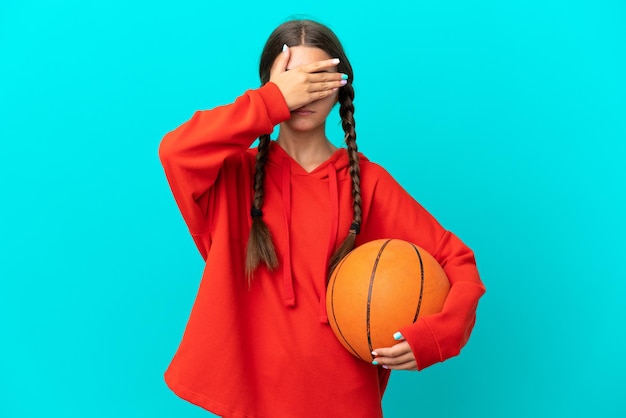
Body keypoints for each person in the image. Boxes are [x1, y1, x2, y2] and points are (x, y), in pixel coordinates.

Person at [159, 19, 485, 418]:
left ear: (339, 89)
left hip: (347, 404)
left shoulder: (368, 183)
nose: (304, 94)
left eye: (317, 79)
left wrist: (437, 336)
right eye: (293, 81)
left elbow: (458, 263)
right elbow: (176, 152)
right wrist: (268, 102)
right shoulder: (232, 178)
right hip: (250, 404)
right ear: (270, 87)